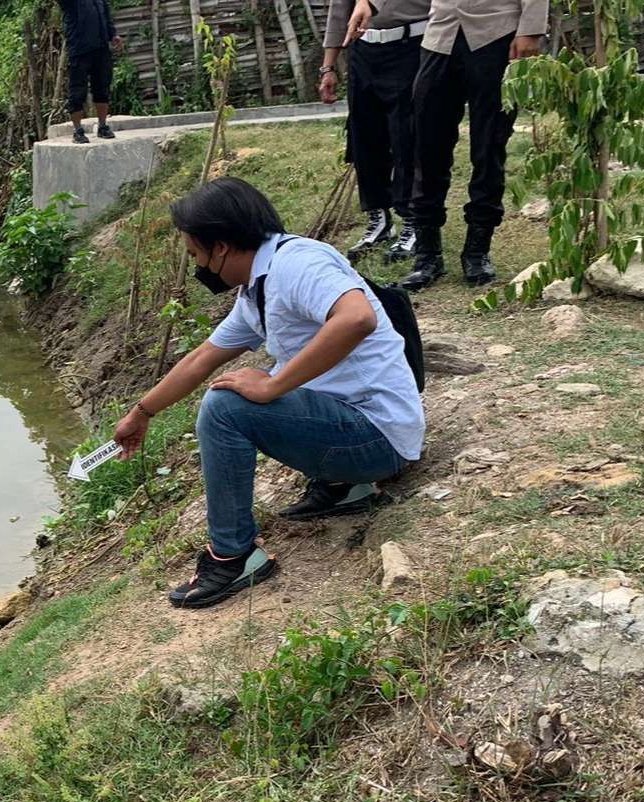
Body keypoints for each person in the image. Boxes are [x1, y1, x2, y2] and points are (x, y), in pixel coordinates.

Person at [113, 178, 424, 610]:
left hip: (377, 438)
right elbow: (203, 358)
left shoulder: (297, 264)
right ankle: (344, 487)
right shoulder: (258, 289)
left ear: (219, 247)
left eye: (194, 254)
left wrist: (275, 385)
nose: (195, 265)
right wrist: (142, 412)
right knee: (243, 385)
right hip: (360, 431)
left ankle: (234, 556)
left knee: (225, 406)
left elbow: (357, 319)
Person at [346, 0, 547, 290]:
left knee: (489, 147)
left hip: (497, 34)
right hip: (439, 36)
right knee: (427, 147)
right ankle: (427, 257)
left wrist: (531, 30)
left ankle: (477, 252)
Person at [320, 0, 431, 262]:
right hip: (363, 50)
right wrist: (328, 66)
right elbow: (339, 9)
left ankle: (412, 220)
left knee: (407, 137)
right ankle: (378, 218)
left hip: (410, 47)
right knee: (364, 137)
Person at [58, 0, 124, 144]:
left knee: (102, 88)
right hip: (79, 50)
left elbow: (106, 15)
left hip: (101, 48)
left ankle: (102, 126)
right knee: (77, 92)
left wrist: (113, 35)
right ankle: (77, 130)